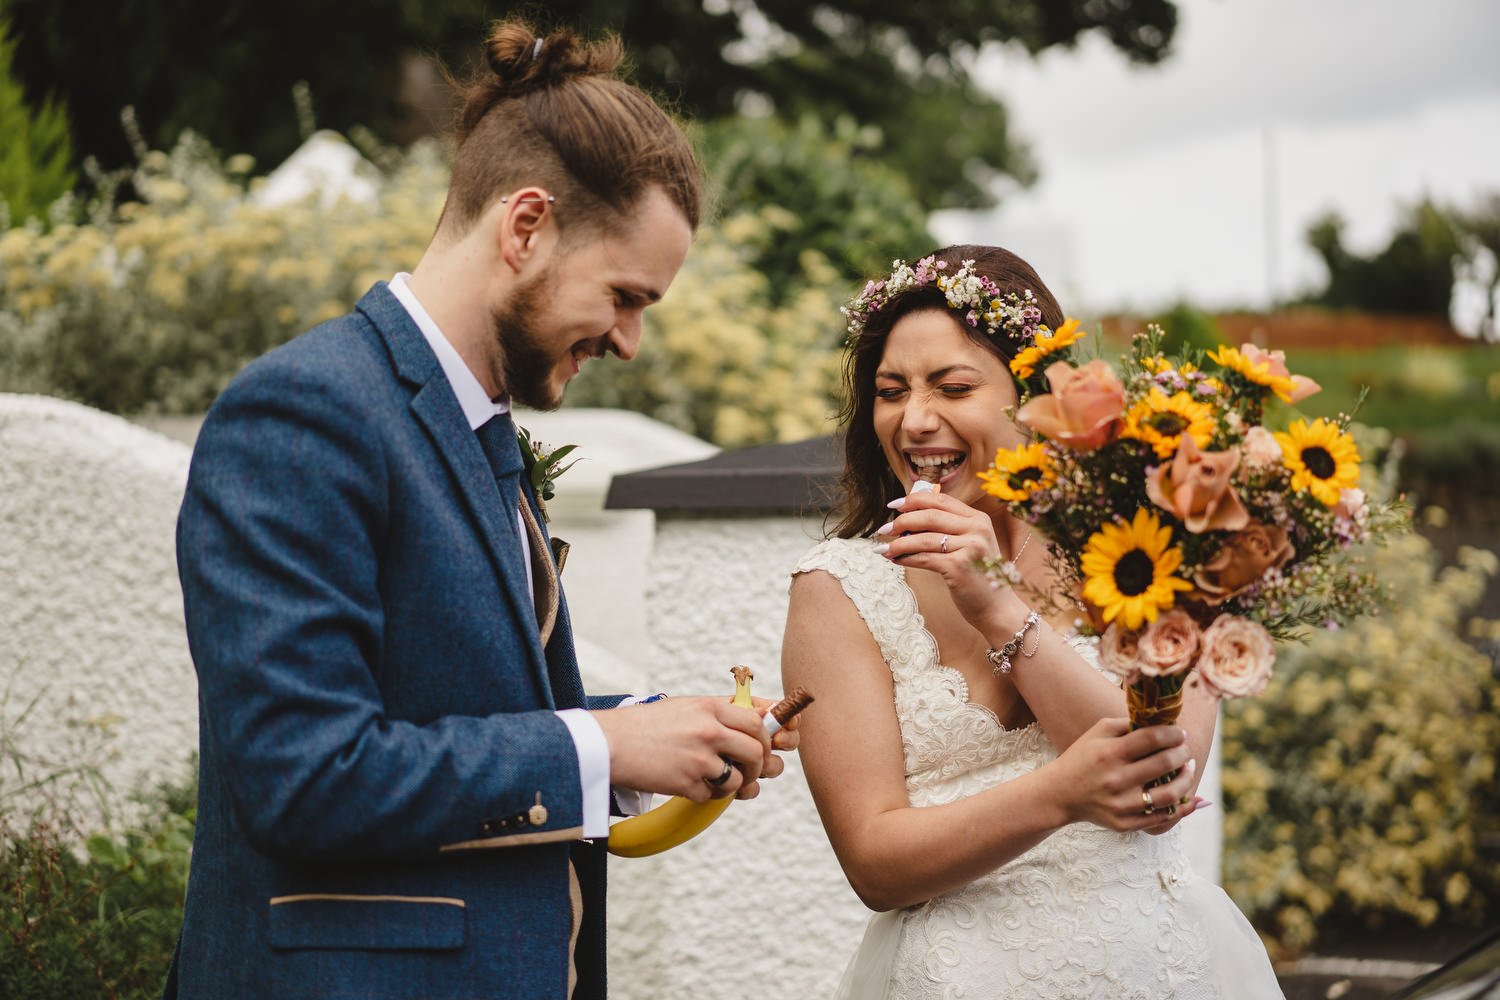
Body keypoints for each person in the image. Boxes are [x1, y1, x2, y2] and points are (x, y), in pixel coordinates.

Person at [165, 20, 795, 1000]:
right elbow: (303, 774)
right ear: (525, 227)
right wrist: (597, 747)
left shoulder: (475, 426)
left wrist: (649, 739)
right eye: (625, 296)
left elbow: (449, 713)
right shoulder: (303, 412)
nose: (630, 341)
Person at [782, 245, 1284, 998]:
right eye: (891, 391)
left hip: (1156, 969)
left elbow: (1166, 782)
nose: (915, 420)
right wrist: (1058, 794)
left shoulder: (1155, 546)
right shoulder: (840, 589)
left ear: (1037, 396)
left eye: (952, 386)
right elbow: (875, 864)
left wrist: (997, 608)